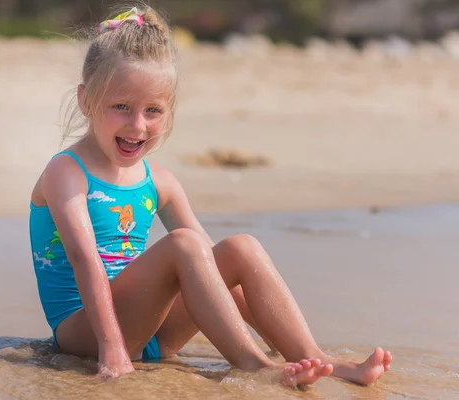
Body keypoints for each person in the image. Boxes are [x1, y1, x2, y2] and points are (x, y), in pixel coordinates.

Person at [28, 5, 392, 388]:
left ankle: (311, 355)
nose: (138, 125)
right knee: (183, 244)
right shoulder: (67, 172)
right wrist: (112, 347)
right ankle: (252, 365)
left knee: (239, 249)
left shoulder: (159, 181)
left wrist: (273, 333)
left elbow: (210, 269)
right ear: (87, 101)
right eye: (121, 107)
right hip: (86, 333)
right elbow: (84, 259)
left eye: (153, 110)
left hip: (152, 333)